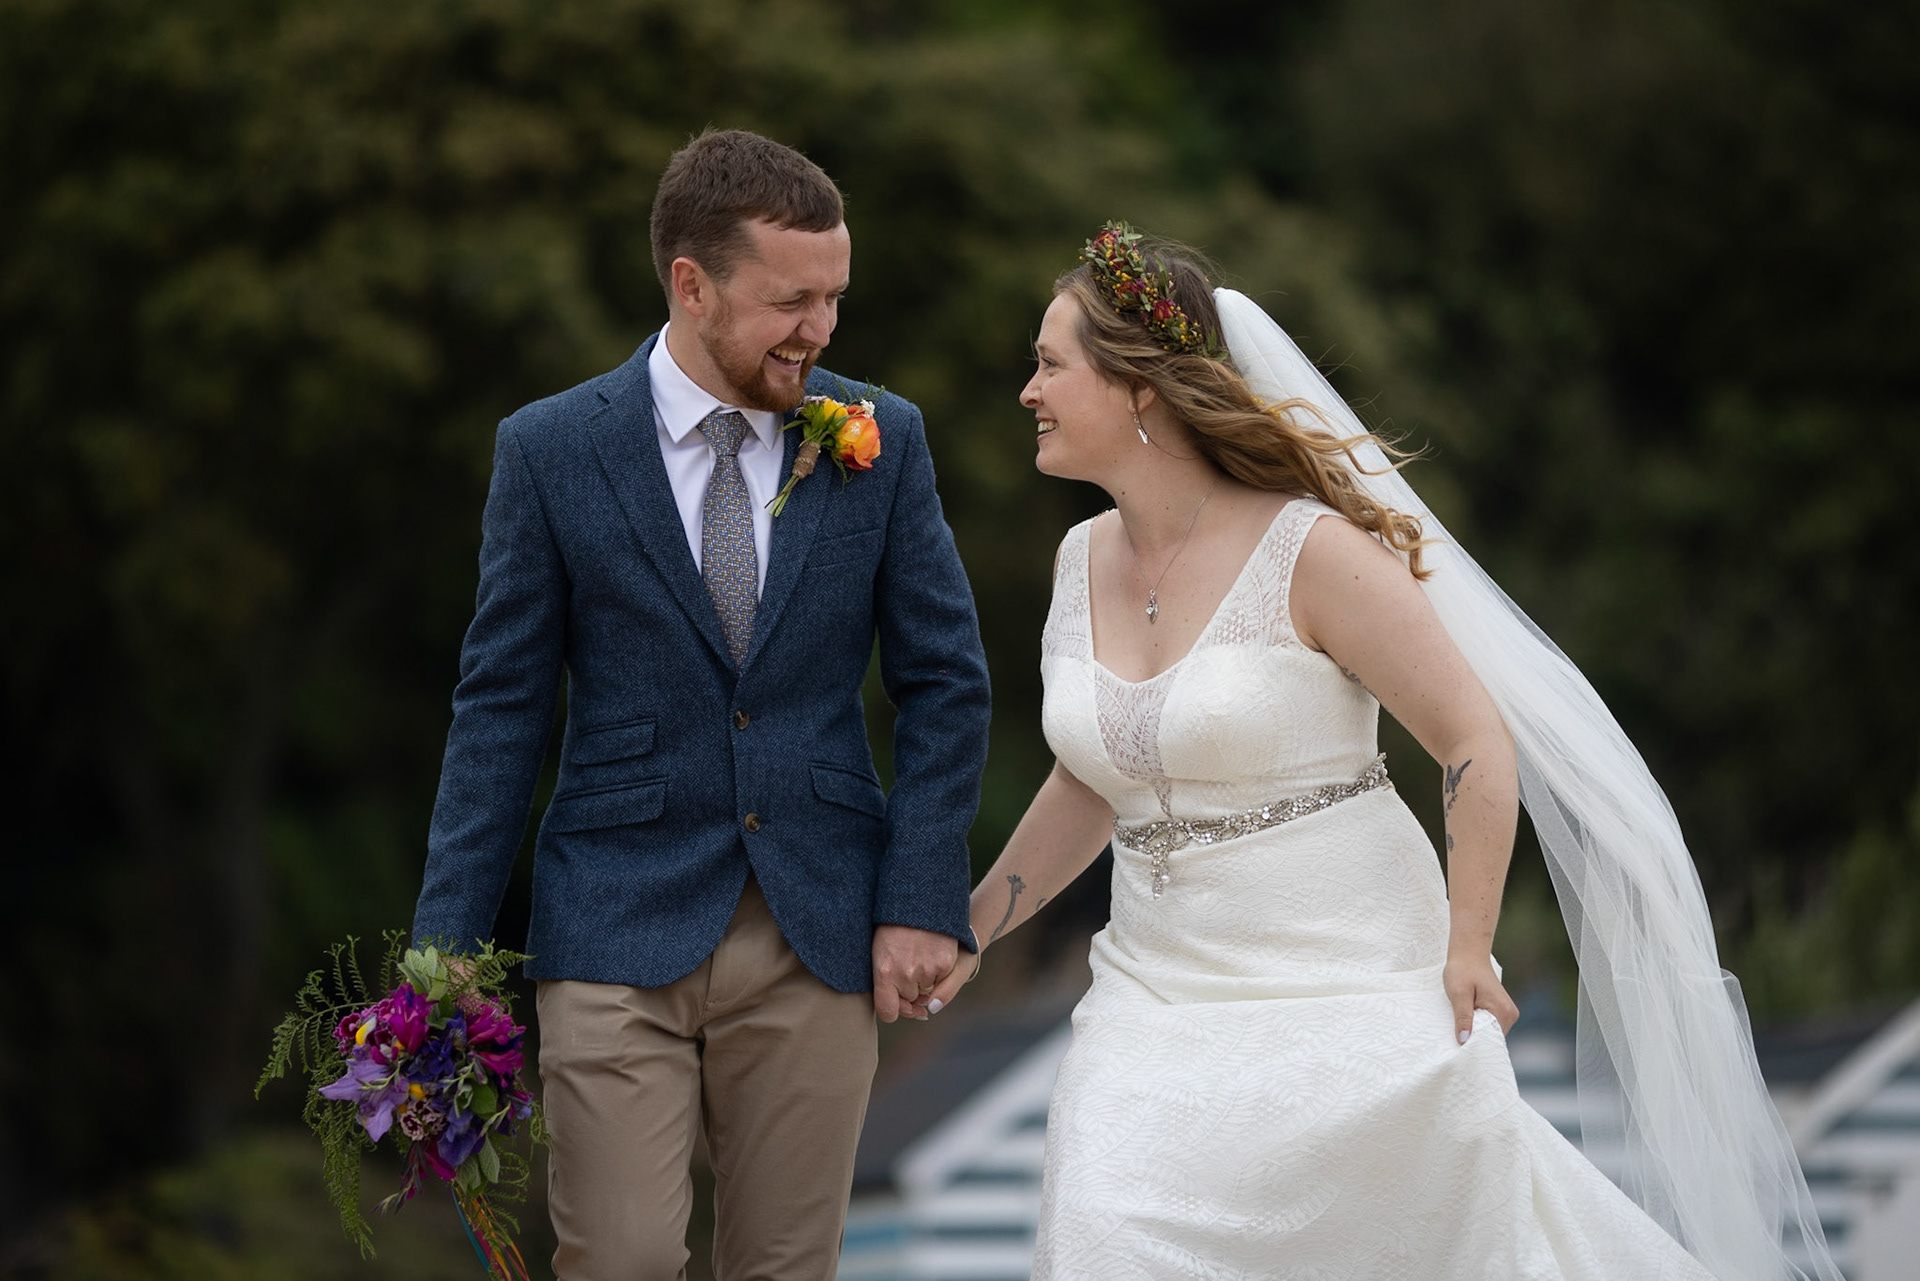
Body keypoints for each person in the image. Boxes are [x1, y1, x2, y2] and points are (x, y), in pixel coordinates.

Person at [922, 224, 1837, 1279]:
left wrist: (1465, 947)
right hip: (1154, 1002)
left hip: (1352, 984)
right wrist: (975, 925)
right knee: (1102, 1235)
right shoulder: (1078, 558)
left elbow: (1472, 741)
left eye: (1048, 364)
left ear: (1138, 388)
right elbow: (1100, 774)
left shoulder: (1308, 551)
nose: (1028, 391)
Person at [410, 129, 990, 1281]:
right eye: (791, 301)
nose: (820, 329)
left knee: (786, 1267)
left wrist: (922, 898)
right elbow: (502, 710)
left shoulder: (886, 439)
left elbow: (946, 681)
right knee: (617, 1258)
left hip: (818, 919)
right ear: (691, 282)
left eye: (834, 297)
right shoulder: (550, 450)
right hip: (613, 917)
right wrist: (443, 956)